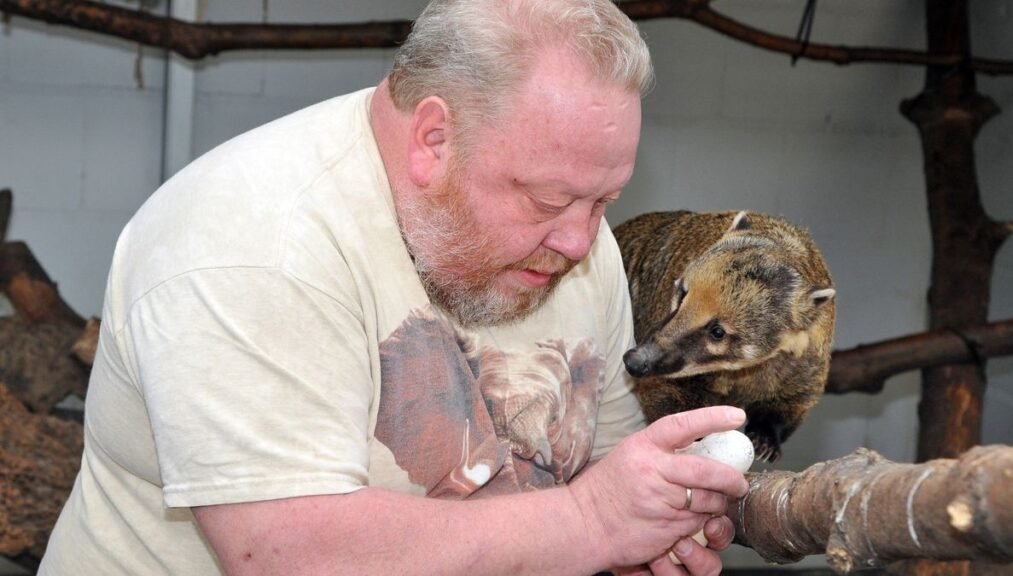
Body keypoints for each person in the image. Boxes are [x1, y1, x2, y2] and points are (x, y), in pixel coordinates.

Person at [40, 0, 749, 574]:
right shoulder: (252, 244)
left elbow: (602, 467)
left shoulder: (574, 240)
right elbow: (295, 554)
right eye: (546, 201)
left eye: (604, 201)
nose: (580, 240)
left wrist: (647, 523)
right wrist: (590, 524)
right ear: (434, 140)